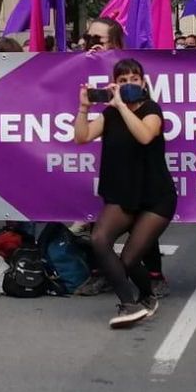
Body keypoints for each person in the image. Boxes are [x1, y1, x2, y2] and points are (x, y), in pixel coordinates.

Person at [73, 58, 175, 327]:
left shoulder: (152, 109)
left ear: (143, 83)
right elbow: (82, 137)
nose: (129, 84)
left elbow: (144, 135)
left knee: (130, 259)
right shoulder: (109, 115)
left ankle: (146, 296)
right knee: (99, 239)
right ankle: (130, 303)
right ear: (114, 84)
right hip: (123, 193)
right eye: (122, 80)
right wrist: (84, 108)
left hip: (156, 196)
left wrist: (121, 106)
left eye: (134, 79)